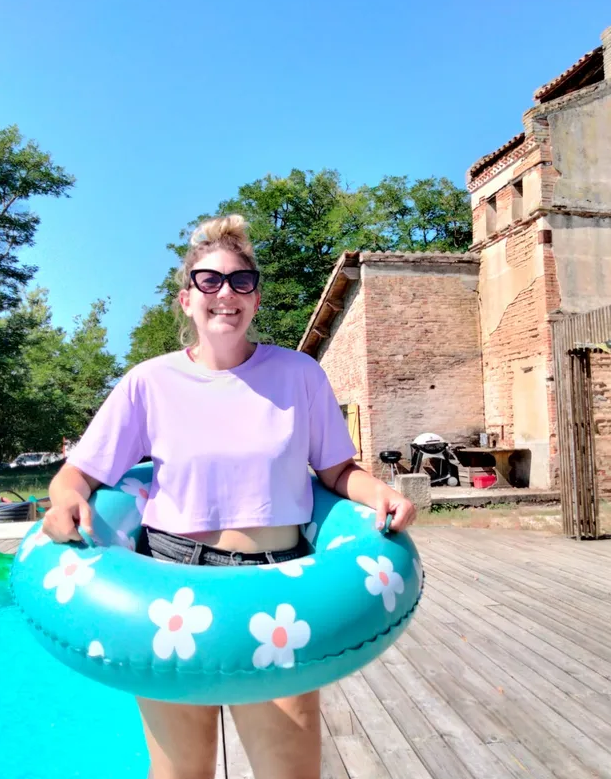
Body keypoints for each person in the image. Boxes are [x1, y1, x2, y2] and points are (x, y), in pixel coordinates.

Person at [43, 214, 416, 779]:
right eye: (209, 281)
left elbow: (338, 471)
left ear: (256, 298)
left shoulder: (300, 374)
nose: (226, 294)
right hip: (169, 581)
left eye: (241, 282)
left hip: (277, 582)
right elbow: (78, 475)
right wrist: (65, 500)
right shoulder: (149, 382)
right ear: (186, 300)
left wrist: (380, 493)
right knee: (182, 773)